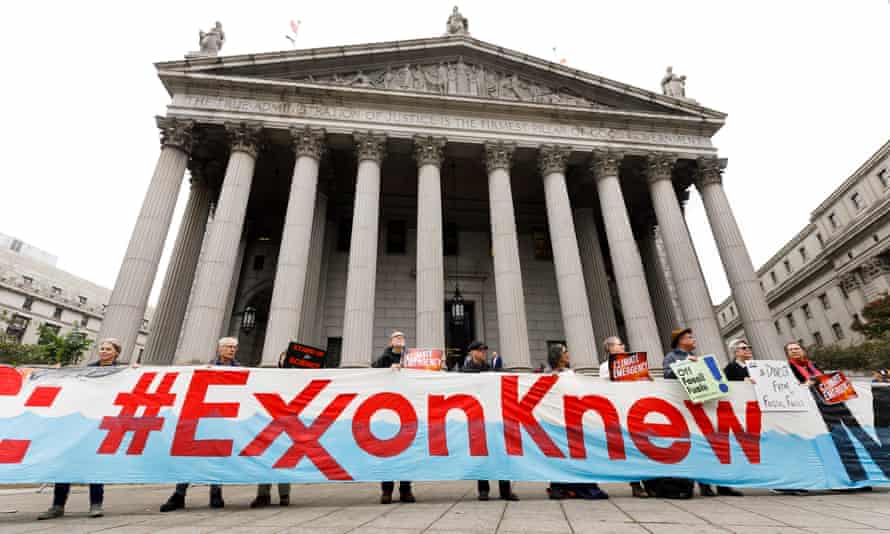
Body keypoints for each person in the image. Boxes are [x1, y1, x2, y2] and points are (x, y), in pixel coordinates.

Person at [38, 339, 124, 520]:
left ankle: (96, 504)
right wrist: (58, 373)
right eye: (102, 348)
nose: (104, 351)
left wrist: (137, 370)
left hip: (101, 423)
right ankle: (57, 506)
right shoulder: (87, 370)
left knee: (94, 464)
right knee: (66, 462)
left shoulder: (123, 371)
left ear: (116, 352)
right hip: (79, 420)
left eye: (108, 349)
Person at [160, 337, 241, 512]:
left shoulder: (240, 369)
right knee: (190, 456)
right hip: (201, 418)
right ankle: (179, 494)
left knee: (217, 456)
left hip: (223, 419)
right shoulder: (206, 368)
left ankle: (216, 493)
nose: (232, 350)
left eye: (234, 347)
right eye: (228, 347)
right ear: (219, 349)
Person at [546, 343, 609, 500]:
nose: (568, 354)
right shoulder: (550, 376)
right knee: (560, 454)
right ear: (557, 356)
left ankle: (579, 484)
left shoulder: (571, 374)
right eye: (565, 352)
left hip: (574, 419)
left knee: (577, 453)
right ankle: (558, 486)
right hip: (559, 420)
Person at [461, 341, 519, 501]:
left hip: (494, 416)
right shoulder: (465, 371)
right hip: (476, 417)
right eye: (480, 351)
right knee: (482, 454)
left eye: (484, 350)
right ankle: (483, 489)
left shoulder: (490, 370)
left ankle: (505, 490)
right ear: (472, 353)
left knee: (501, 452)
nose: (483, 353)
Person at [662, 328, 717, 497]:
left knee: (704, 445)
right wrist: (685, 364)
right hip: (683, 408)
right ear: (680, 341)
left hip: (699, 407)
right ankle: (687, 483)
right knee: (689, 446)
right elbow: (667, 375)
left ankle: (706, 483)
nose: (693, 339)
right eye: (689, 337)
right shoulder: (672, 357)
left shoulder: (698, 357)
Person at [601, 336, 650, 498]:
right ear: (609, 348)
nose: (623, 346)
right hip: (620, 412)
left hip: (637, 412)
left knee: (643, 448)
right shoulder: (604, 367)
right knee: (630, 450)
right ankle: (636, 484)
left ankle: (648, 481)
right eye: (619, 344)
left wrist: (646, 378)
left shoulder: (634, 365)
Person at [372, 331, 416, 504]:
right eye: (396, 337)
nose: (400, 338)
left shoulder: (411, 358)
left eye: (402, 337)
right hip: (388, 412)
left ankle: (406, 489)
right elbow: (374, 372)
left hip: (407, 411)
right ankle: (387, 490)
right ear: (391, 341)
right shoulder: (384, 357)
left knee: (407, 453)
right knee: (388, 452)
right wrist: (387, 370)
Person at [250, 352, 292, 508]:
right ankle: (263, 494)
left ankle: (284, 494)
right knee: (265, 458)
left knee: (284, 460)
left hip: (289, 423)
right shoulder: (269, 376)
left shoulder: (299, 377)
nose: (286, 360)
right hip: (269, 421)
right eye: (283, 357)